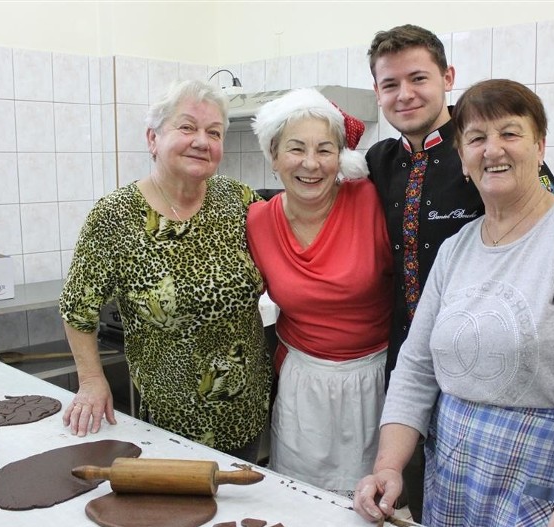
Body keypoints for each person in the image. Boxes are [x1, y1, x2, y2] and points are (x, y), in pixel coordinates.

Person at [363, 23, 554, 521]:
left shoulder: (486, 149)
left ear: (447, 77)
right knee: (421, 507)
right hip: (424, 362)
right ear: (377, 93)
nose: (405, 95)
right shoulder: (381, 160)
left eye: (418, 79)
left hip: (514, 360)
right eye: (390, 85)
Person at [59, 79, 271, 461]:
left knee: (241, 516)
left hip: (247, 412)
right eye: (187, 127)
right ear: (153, 139)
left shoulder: (240, 201)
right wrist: (91, 381)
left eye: (214, 132)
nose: (202, 141)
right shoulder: (115, 216)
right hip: (168, 426)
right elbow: (77, 308)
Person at [246, 88, 393, 495]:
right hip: (302, 387)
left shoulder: (373, 200)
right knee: (300, 504)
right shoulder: (257, 221)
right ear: (273, 157)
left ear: (341, 158)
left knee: (375, 507)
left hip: (376, 382)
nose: (311, 164)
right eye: (296, 149)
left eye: (324, 150)